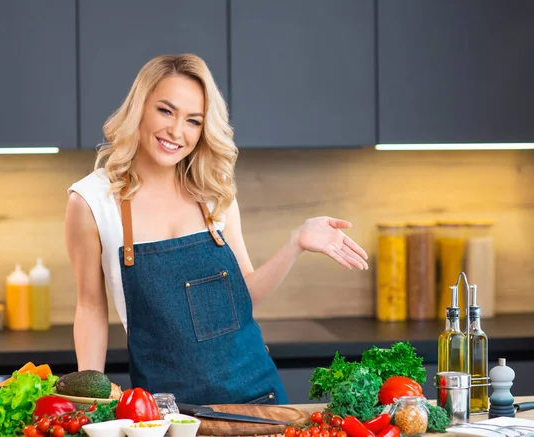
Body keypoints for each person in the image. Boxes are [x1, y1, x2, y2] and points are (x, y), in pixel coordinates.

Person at [64, 54, 369, 406]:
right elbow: (90, 308)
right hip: (167, 409)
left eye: (193, 120)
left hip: (259, 396)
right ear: (140, 108)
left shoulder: (212, 190)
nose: (177, 132)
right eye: (166, 111)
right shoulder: (91, 201)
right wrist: (88, 403)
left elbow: (246, 294)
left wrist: (295, 243)